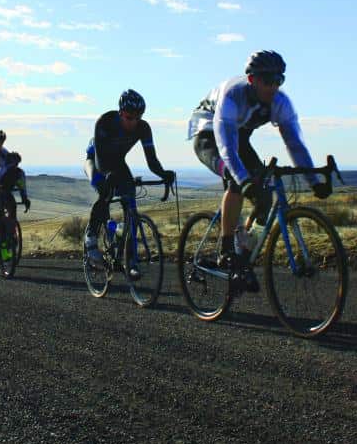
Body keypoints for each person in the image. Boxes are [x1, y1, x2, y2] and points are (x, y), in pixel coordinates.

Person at [187, 50, 332, 292]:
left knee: (264, 196)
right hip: (208, 135)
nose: (273, 86)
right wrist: (243, 180)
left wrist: (314, 181)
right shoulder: (233, 95)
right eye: (267, 80)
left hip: (239, 137)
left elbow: (295, 144)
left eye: (279, 80)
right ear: (252, 79)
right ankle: (226, 249)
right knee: (236, 179)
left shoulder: (281, 102)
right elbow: (226, 148)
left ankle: (242, 258)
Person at [82, 89, 176, 276]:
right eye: (129, 117)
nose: (133, 122)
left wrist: (163, 173)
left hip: (118, 162)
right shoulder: (105, 122)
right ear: (120, 113)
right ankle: (91, 236)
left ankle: (129, 256)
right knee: (104, 190)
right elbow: (100, 160)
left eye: (138, 117)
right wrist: (107, 176)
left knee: (130, 203)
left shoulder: (143, 128)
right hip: (96, 160)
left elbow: (151, 160)